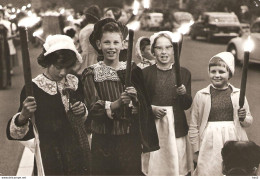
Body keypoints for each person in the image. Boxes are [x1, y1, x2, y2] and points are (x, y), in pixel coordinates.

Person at [82, 18, 159, 176]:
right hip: (103, 140)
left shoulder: (132, 70)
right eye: (107, 42)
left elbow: (143, 108)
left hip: (129, 139)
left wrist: (136, 100)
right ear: (98, 44)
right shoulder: (91, 73)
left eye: (116, 43)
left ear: (123, 44)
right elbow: (92, 107)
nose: (111, 47)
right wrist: (116, 103)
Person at [6, 35, 91, 176]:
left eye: (67, 67)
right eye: (58, 67)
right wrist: (23, 116)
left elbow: (84, 121)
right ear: (47, 62)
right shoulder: (33, 88)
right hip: (50, 155)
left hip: (78, 151)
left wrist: (82, 110)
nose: (63, 72)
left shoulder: (74, 82)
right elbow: (18, 134)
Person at [189, 52, 253, 176]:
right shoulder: (201, 95)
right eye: (213, 71)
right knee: (209, 171)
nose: (217, 75)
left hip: (233, 140)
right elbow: (193, 125)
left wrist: (243, 117)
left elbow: (248, 121)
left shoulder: (238, 94)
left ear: (229, 73)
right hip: (209, 142)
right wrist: (196, 150)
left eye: (221, 72)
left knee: (232, 171)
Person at [142, 31, 192, 176]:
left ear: (174, 50)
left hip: (176, 125)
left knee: (175, 163)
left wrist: (183, 94)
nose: (164, 52)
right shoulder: (145, 73)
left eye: (168, 47)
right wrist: (151, 109)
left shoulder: (184, 73)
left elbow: (186, 104)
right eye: (159, 48)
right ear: (153, 51)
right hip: (154, 126)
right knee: (155, 164)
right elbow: (139, 101)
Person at [78, 5, 101, 74]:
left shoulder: (82, 30)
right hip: (95, 58)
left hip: (84, 58)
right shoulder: (97, 29)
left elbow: (80, 46)